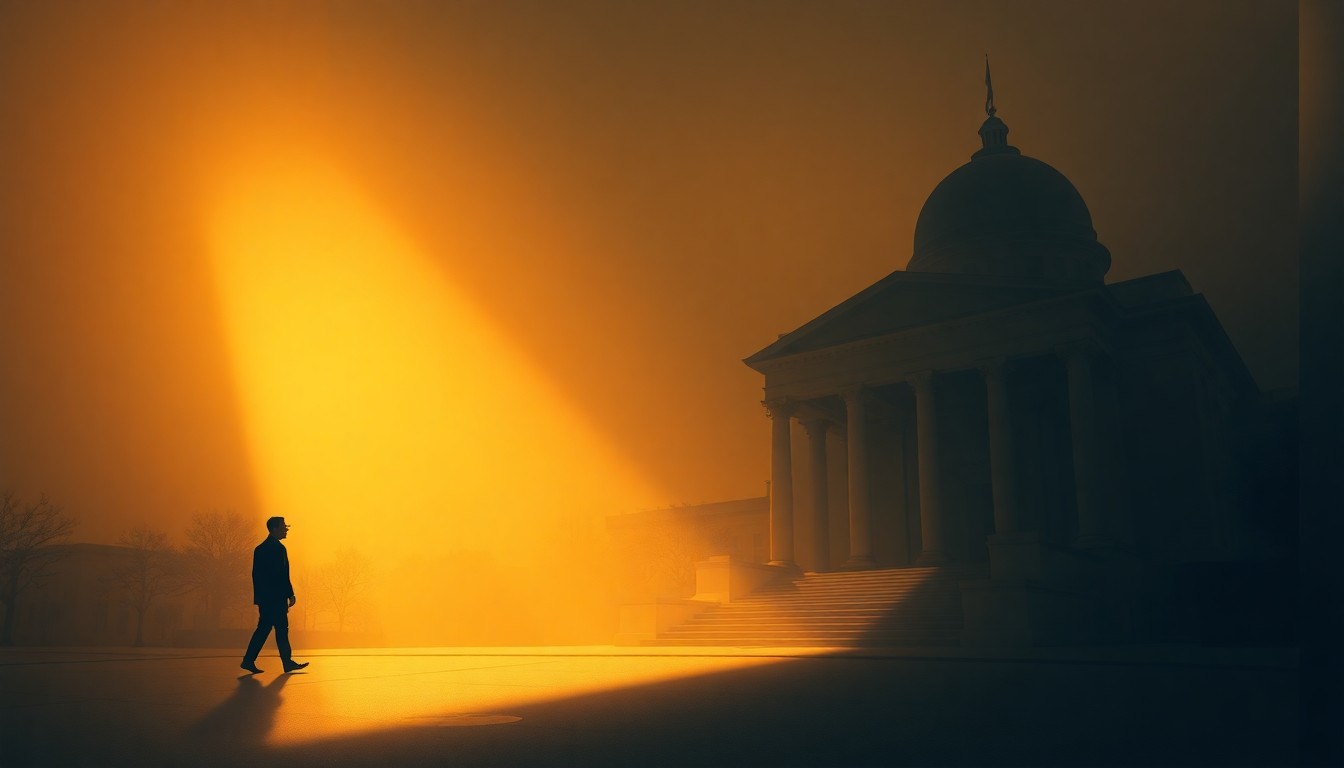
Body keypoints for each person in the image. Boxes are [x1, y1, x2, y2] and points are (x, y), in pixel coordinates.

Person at [240, 516, 309, 674]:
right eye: (284, 526)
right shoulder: (278, 549)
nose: (286, 529)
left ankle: (249, 660)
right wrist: (289, 594)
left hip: (265, 599)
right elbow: (282, 575)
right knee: (281, 629)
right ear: (275, 529)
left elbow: (256, 576)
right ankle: (286, 662)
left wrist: (259, 599)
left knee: (264, 629)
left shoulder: (260, 549)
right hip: (276, 599)